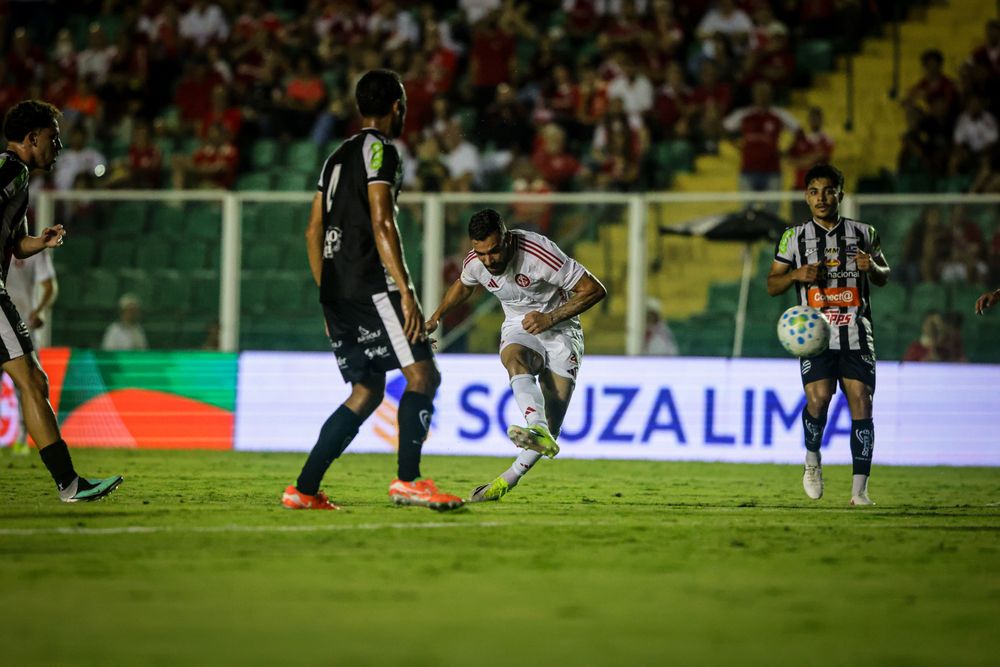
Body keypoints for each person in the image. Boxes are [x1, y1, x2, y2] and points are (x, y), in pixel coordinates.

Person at [281, 69, 463, 512]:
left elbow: (312, 231)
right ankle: (408, 480)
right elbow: (383, 221)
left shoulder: (336, 156)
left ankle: (303, 490)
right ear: (397, 107)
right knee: (423, 374)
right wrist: (406, 291)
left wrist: (330, 294)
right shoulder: (381, 151)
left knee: (367, 390)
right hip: (370, 284)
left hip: (337, 289)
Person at [425, 208, 607, 502]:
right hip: (518, 325)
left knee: (553, 424)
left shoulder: (539, 255)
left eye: (494, 251)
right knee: (513, 357)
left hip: (561, 329)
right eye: (481, 253)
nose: (488, 260)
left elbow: (594, 290)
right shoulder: (477, 263)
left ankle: (507, 480)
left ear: (507, 239)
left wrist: (551, 318)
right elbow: (464, 284)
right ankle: (535, 428)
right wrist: (436, 317)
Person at [0, 99, 122, 501]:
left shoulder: (18, 179)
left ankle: (69, 484)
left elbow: (16, 245)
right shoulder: (11, 171)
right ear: (33, 138)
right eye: (54, 138)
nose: (59, 147)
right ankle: (69, 484)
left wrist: (42, 241)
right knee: (34, 381)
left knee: (32, 382)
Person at [766, 164, 890, 507]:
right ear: (807, 197)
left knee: (862, 402)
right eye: (814, 191)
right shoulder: (793, 237)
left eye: (829, 190)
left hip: (857, 334)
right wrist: (796, 275)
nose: (822, 198)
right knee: (818, 401)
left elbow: (884, 274)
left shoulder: (865, 233)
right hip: (815, 336)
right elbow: (772, 284)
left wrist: (873, 268)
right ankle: (811, 459)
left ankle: (859, 492)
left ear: (841, 194)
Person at [4, 251, 57, 455]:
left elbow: (50, 286)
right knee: (29, 384)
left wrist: (41, 310)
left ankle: (22, 438)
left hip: (21, 326)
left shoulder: (34, 251)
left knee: (29, 384)